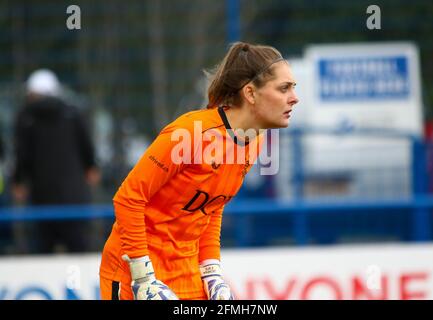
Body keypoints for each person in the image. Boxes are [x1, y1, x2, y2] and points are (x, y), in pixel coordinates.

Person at [99, 41, 299, 300]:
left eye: (293, 88)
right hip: (134, 271)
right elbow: (128, 198)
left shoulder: (255, 139)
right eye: (284, 88)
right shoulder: (191, 133)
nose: (294, 98)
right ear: (250, 93)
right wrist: (142, 276)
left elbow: (212, 206)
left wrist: (211, 269)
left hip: (187, 271)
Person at [12, 69, 100, 253]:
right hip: (74, 196)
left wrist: (18, 181)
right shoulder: (73, 114)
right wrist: (91, 167)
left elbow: (22, 155)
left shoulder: (26, 118)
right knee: (79, 248)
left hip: (42, 196)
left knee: (44, 249)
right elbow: (87, 147)